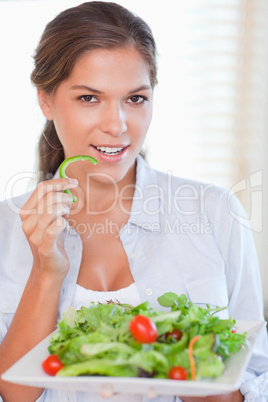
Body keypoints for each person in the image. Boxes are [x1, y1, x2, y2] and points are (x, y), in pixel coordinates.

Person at [0, 1, 267, 401]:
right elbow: (14, 395)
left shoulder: (216, 211)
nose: (117, 125)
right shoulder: (7, 226)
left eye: (135, 99)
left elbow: (258, 375)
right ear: (46, 100)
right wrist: (46, 269)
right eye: (89, 98)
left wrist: (206, 384)